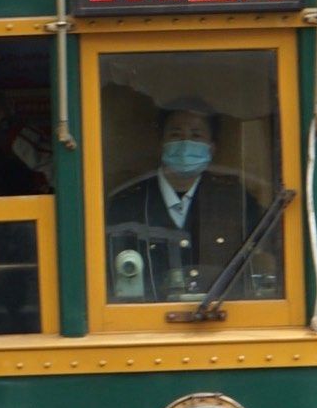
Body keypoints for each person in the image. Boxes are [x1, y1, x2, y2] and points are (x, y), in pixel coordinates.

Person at [108, 98, 277, 302]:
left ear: (212, 148)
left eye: (196, 136)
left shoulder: (236, 202)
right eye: (176, 135)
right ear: (161, 143)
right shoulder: (127, 204)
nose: (185, 144)